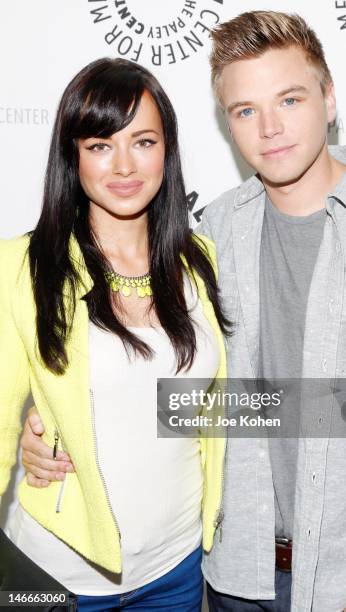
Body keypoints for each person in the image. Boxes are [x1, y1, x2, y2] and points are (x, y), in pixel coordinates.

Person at [18, 10, 346, 612]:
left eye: (290, 100)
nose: (270, 128)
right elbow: (192, 403)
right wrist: (53, 423)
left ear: (329, 100)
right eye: (246, 110)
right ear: (227, 124)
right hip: (231, 574)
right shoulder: (213, 234)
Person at [0, 57, 229, 611]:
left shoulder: (201, 260)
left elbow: (200, 413)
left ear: (166, 151)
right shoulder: (20, 269)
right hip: (55, 575)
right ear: (72, 156)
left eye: (143, 142)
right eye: (101, 144)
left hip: (177, 569)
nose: (124, 165)